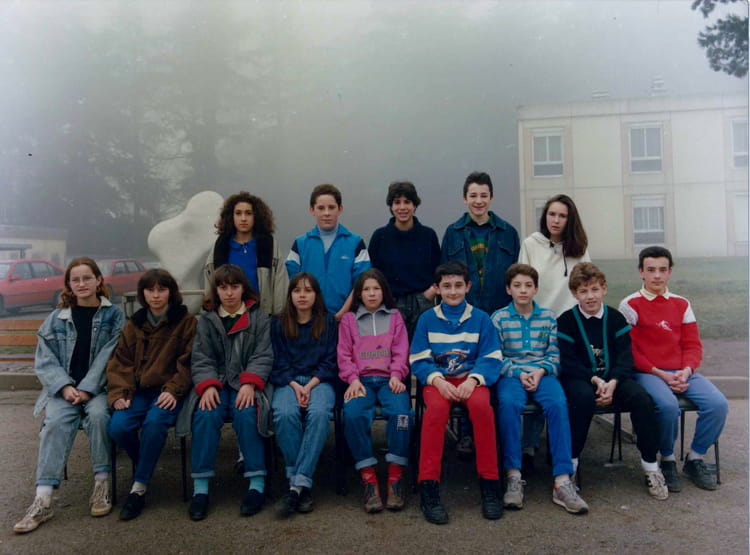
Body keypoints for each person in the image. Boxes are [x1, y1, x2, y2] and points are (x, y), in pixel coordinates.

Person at [14, 257, 125, 534]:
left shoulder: (114, 315)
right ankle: (43, 499)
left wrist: (87, 388)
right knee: (54, 422)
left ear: (98, 280)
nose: (82, 284)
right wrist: (64, 387)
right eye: (75, 279)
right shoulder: (57, 318)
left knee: (99, 416)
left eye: (87, 278)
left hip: (98, 389)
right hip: (64, 390)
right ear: (68, 285)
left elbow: (110, 355)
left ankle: (101, 484)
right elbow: (45, 359)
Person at [619, 246, 728, 492]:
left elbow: (692, 345)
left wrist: (686, 371)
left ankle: (695, 458)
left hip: (681, 372)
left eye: (662, 270)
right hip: (648, 372)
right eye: (651, 270)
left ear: (670, 272)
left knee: (718, 404)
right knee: (668, 406)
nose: (657, 275)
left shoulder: (681, 303)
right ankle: (667, 458)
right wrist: (661, 374)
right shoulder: (630, 304)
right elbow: (630, 351)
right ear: (641, 272)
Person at [557, 262, 668, 500]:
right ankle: (570, 467)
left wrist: (614, 381)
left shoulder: (616, 318)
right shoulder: (566, 321)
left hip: (614, 379)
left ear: (604, 289)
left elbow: (626, 357)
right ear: (574, 293)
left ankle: (651, 466)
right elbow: (567, 362)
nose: (590, 296)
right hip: (583, 379)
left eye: (595, 289)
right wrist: (594, 379)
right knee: (582, 399)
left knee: (641, 398)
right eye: (583, 291)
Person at [409, 261, 503, 525]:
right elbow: (419, 358)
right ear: (437, 289)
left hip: (470, 380)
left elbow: (491, 357)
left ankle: (490, 485)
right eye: (447, 286)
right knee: (436, 412)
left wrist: (473, 381)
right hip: (439, 382)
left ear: (468, 286)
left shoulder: (481, 319)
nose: (453, 291)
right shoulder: (427, 319)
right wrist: (438, 382)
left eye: (458, 285)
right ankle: (429, 488)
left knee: (483, 409)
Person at [492, 263, 588, 515]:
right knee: (508, 404)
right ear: (508, 289)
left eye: (528, 285)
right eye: (517, 286)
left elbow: (555, 356)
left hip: (542, 374)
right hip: (512, 374)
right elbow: (495, 357)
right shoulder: (499, 318)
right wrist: (519, 373)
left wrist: (540, 371)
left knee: (557, 403)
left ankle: (562, 480)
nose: (523, 290)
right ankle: (513, 475)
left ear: (536, 289)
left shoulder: (548, 317)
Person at [180, 264, 273, 521]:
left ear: (244, 288)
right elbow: (201, 358)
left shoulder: (258, 318)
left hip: (245, 383)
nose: (229, 293)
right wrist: (208, 384)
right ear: (216, 290)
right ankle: (201, 489)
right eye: (223, 287)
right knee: (205, 415)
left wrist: (249, 382)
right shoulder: (207, 320)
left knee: (247, 414)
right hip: (218, 383)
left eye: (234, 286)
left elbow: (263, 355)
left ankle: (256, 483)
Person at [106, 269, 197, 520]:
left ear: (171, 292)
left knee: (155, 423)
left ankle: (139, 488)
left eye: (161, 290)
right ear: (142, 294)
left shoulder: (186, 322)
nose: (156, 295)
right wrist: (120, 393)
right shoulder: (133, 324)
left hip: (167, 391)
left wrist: (174, 390)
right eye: (150, 290)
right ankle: (147, 460)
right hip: (136, 392)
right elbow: (120, 362)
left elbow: (189, 362)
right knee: (118, 427)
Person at [518, 194, 591, 470]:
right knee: (537, 381)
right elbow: (522, 280)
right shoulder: (531, 244)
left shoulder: (579, 248)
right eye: (552, 214)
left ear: (570, 220)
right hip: (537, 323)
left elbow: (586, 283)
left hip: (569, 327)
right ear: (545, 216)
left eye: (562, 216)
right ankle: (529, 445)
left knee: (563, 386)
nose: (556, 220)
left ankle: (560, 446)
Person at [338, 269, 411, 513]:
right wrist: (352, 379)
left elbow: (401, 351)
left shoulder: (395, 317)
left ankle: (395, 476)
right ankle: (368, 477)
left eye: (376, 289)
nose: (371, 294)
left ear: (383, 292)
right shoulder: (349, 320)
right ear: (359, 294)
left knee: (402, 415)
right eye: (366, 289)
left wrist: (397, 374)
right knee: (353, 414)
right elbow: (344, 355)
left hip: (390, 379)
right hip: (361, 381)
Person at [270, 272, 338, 518]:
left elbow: (331, 361)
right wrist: (295, 385)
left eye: (308, 291)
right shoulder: (278, 323)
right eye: (297, 290)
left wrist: (309, 386)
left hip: (319, 381)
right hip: (288, 382)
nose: (302, 295)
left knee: (319, 414)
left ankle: (296, 486)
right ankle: (301, 484)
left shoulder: (328, 322)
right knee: (284, 413)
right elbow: (277, 360)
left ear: (316, 295)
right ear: (290, 295)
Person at [286, 184, 371, 320]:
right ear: (312, 210)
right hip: (309, 320)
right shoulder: (300, 243)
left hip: (345, 319)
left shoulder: (355, 243)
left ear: (340, 209)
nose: (326, 213)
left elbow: (361, 283)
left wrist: (342, 314)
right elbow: (293, 285)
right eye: (321, 208)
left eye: (331, 207)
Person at [440, 171, 520, 315]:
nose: (478, 201)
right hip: (463, 313)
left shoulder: (508, 233)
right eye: (473, 196)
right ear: (464, 199)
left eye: (484, 196)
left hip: (501, 313)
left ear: (491, 198)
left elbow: (516, 276)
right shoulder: (452, 233)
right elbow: (443, 276)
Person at [368, 181, 440, 339]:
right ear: (391, 206)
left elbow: (438, 270)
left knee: (423, 347)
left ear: (414, 206)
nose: (402, 207)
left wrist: (429, 294)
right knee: (392, 349)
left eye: (407, 202)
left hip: (423, 301)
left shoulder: (428, 235)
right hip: (391, 303)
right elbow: (373, 274)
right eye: (397, 202)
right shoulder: (380, 237)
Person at [204, 191, 287, 315]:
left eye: (248, 213)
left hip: (262, 315)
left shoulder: (268, 245)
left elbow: (280, 282)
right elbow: (210, 281)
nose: (243, 218)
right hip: (227, 316)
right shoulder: (220, 246)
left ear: (256, 216)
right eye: (238, 213)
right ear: (231, 216)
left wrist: (278, 316)